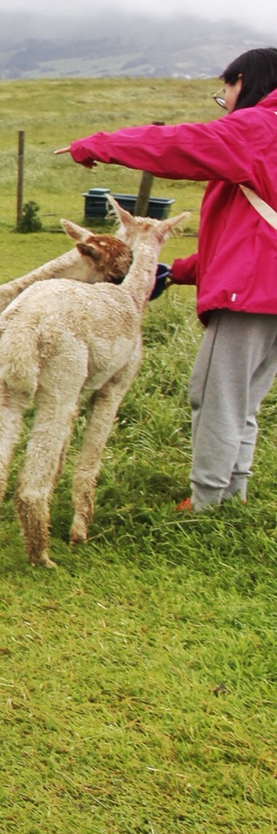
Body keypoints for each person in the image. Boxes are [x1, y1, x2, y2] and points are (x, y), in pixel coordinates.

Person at [63, 47, 277, 511]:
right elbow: (256, 236)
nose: (225, 103)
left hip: (253, 298)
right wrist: (178, 272)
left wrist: (100, 144)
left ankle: (207, 503)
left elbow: (178, 144)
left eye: (225, 93)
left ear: (243, 80)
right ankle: (232, 495)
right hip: (268, 288)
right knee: (245, 396)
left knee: (215, 393)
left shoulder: (261, 127)